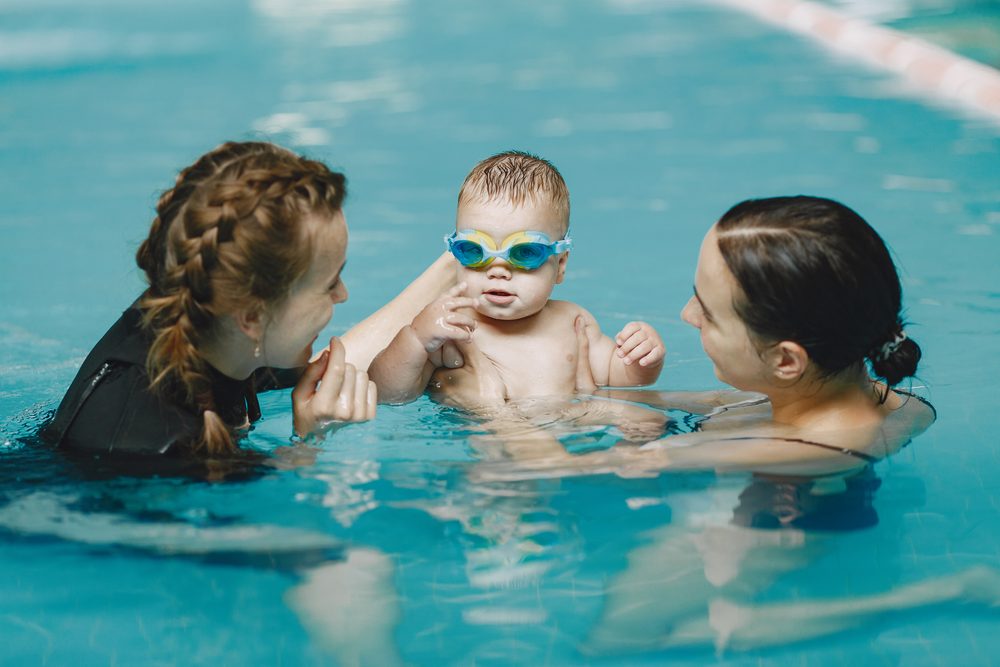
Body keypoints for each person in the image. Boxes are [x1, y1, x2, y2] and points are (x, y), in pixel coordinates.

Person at [40, 141, 456, 460]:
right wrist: (309, 444)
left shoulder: (206, 299)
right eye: (331, 283)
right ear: (252, 317)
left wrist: (462, 262)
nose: (343, 295)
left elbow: (340, 364)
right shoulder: (160, 448)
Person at [368, 150, 666, 409]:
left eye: (524, 253)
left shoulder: (572, 323)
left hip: (570, 437)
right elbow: (388, 393)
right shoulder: (451, 328)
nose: (497, 270)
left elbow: (621, 378)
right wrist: (415, 339)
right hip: (485, 450)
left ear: (560, 265)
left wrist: (642, 360)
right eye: (473, 251)